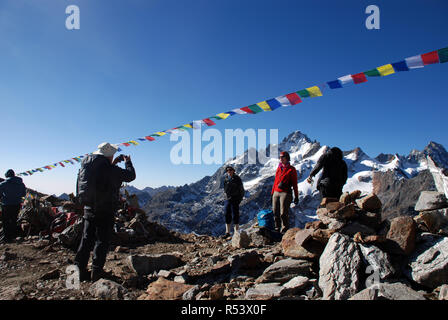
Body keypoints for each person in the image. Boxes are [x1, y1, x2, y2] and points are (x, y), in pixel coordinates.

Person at [74, 142, 136, 282]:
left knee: (86, 239)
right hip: (105, 209)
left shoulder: (88, 166)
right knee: (102, 241)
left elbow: (102, 178)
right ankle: (96, 272)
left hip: (89, 208)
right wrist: (128, 162)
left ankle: (78, 269)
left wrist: (113, 163)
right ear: (108, 155)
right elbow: (130, 176)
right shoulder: (109, 169)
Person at [271, 151, 299, 233]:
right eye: (280, 157)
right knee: (275, 211)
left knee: (283, 213)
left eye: (282, 157)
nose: (281, 159)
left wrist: (296, 196)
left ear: (287, 158)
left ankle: (284, 229)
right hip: (276, 192)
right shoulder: (279, 168)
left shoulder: (291, 169)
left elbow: (294, 184)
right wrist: (272, 192)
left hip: (285, 192)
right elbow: (275, 181)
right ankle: (277, 228)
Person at [0, 169, 26, 243]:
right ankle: (13, 235)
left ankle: (7, 237)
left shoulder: (3, 184)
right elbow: (23, 194)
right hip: (17, 204)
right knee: (14, 220)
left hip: (6, 204)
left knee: (6, 221)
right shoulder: (21, 184)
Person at [222, 166, 245, 238]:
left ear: (233, 171)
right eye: (228, 170)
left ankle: (236, 232)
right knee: (227, 214)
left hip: (235, 199)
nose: (229, 171)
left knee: (235, 215)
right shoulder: (226, 179)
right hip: (227, 199)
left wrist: (239, 199)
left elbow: (241, 190)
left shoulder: (237, 179)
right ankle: (227, 232)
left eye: (230, 170)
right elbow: (225, 188)